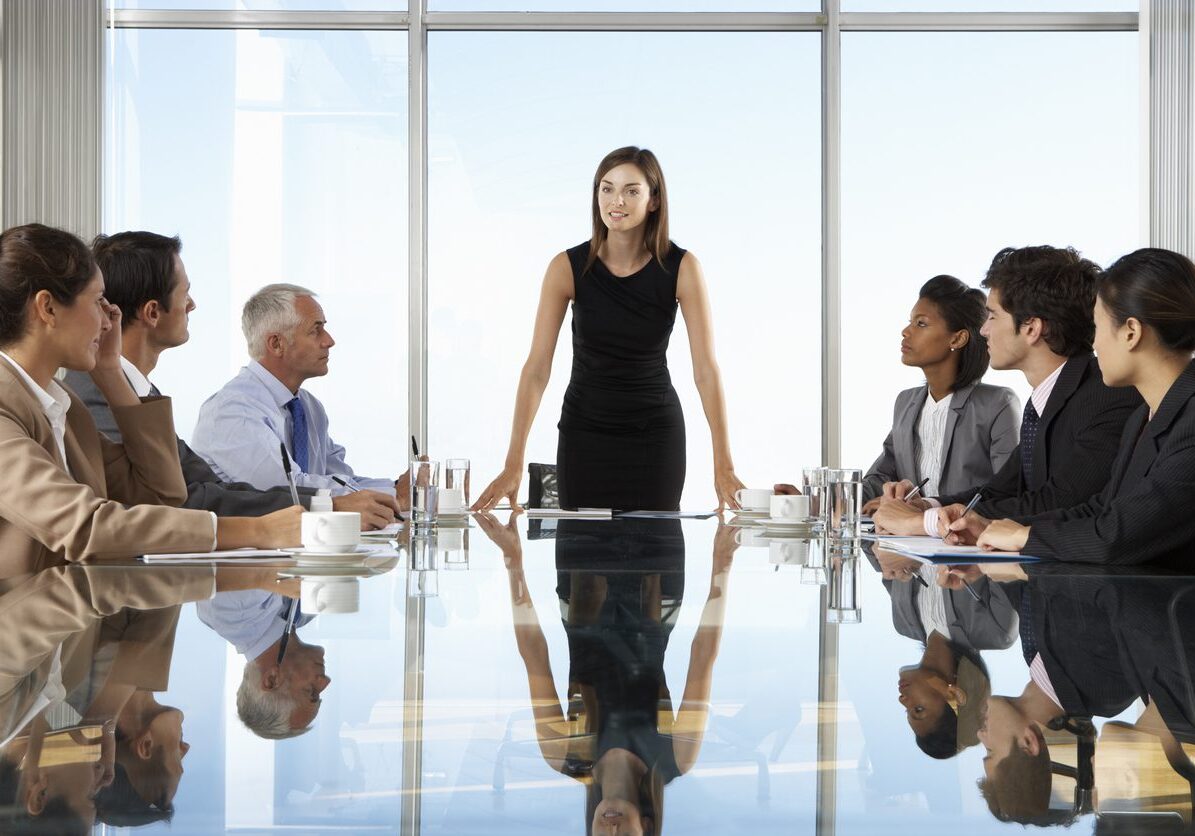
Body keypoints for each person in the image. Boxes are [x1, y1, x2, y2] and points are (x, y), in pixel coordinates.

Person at [0, 223, 300, 577]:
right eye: (98, 301)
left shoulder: (63, 405)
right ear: (48, 308)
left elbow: (160, 495)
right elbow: (85, 527)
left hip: (70, 624)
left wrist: (111, 374)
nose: (109, 319)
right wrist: (256, 531)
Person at [62, 232, 399, 530]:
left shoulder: (140, 391)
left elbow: (209, 488)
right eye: (185, 293)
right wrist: (327, 509)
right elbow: (181, 501)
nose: (192, 304)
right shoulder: (95, 393)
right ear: (152, 312)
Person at [473, 146, 745, 512]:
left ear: (653, 200)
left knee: (656, 558)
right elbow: (536, 369)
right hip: (585, 434)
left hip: (656, 437)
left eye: (632, 190)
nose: (617, 200)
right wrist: (513, 463)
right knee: (582, 559)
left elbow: (706, 372)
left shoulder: (682, 268)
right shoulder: (566, 267)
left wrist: (723, 466)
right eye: (607, 188)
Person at [476, 513, 734, 836]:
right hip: (655, 565)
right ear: (648, 826)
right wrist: (722, 563)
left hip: (583, 563)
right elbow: (702, 656)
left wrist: (512, 561)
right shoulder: (676, 757)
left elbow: (534, 654)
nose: (611, 830)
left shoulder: (563, 754)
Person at [944, 248, 1195, 563]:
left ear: (1131, 332)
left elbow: (1117, 536)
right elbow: (1100, 510)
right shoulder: (1142, 418)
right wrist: (990, 528)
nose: (1094, 343)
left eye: (1099, 326)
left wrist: (1023, 536)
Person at [873, 245, 1142, 537]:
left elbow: (1059, 501)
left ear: (1031, 328)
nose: (984, 330)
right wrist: (925, 505)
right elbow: (998, 491)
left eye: (992, 317)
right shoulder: (1043, 401)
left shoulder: (1107, 395)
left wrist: (927, 522)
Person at [192, 283, 410, 507]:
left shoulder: (308, 406)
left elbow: (340, 480)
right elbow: (290, 492)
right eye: (316, 330)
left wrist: (396, 488)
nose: (329, 341)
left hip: (303, 539)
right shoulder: (232, 410)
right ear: (276, 344)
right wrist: (394, 495)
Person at [855, 275, 1020, 509]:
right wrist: (814, 500)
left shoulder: (998, 404)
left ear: (958, 337)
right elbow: (880, 479)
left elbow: (1008, 492)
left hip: (967, 540)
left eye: (921, 324)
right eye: (910, 322)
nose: (905, 331)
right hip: (909, 541)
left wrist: (929, 507)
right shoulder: (906, 402)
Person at [196, 590, 330, 739]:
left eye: (311, 691)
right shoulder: (305, 614)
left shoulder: (230, 614)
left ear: (271, 679)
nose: (325, 682)